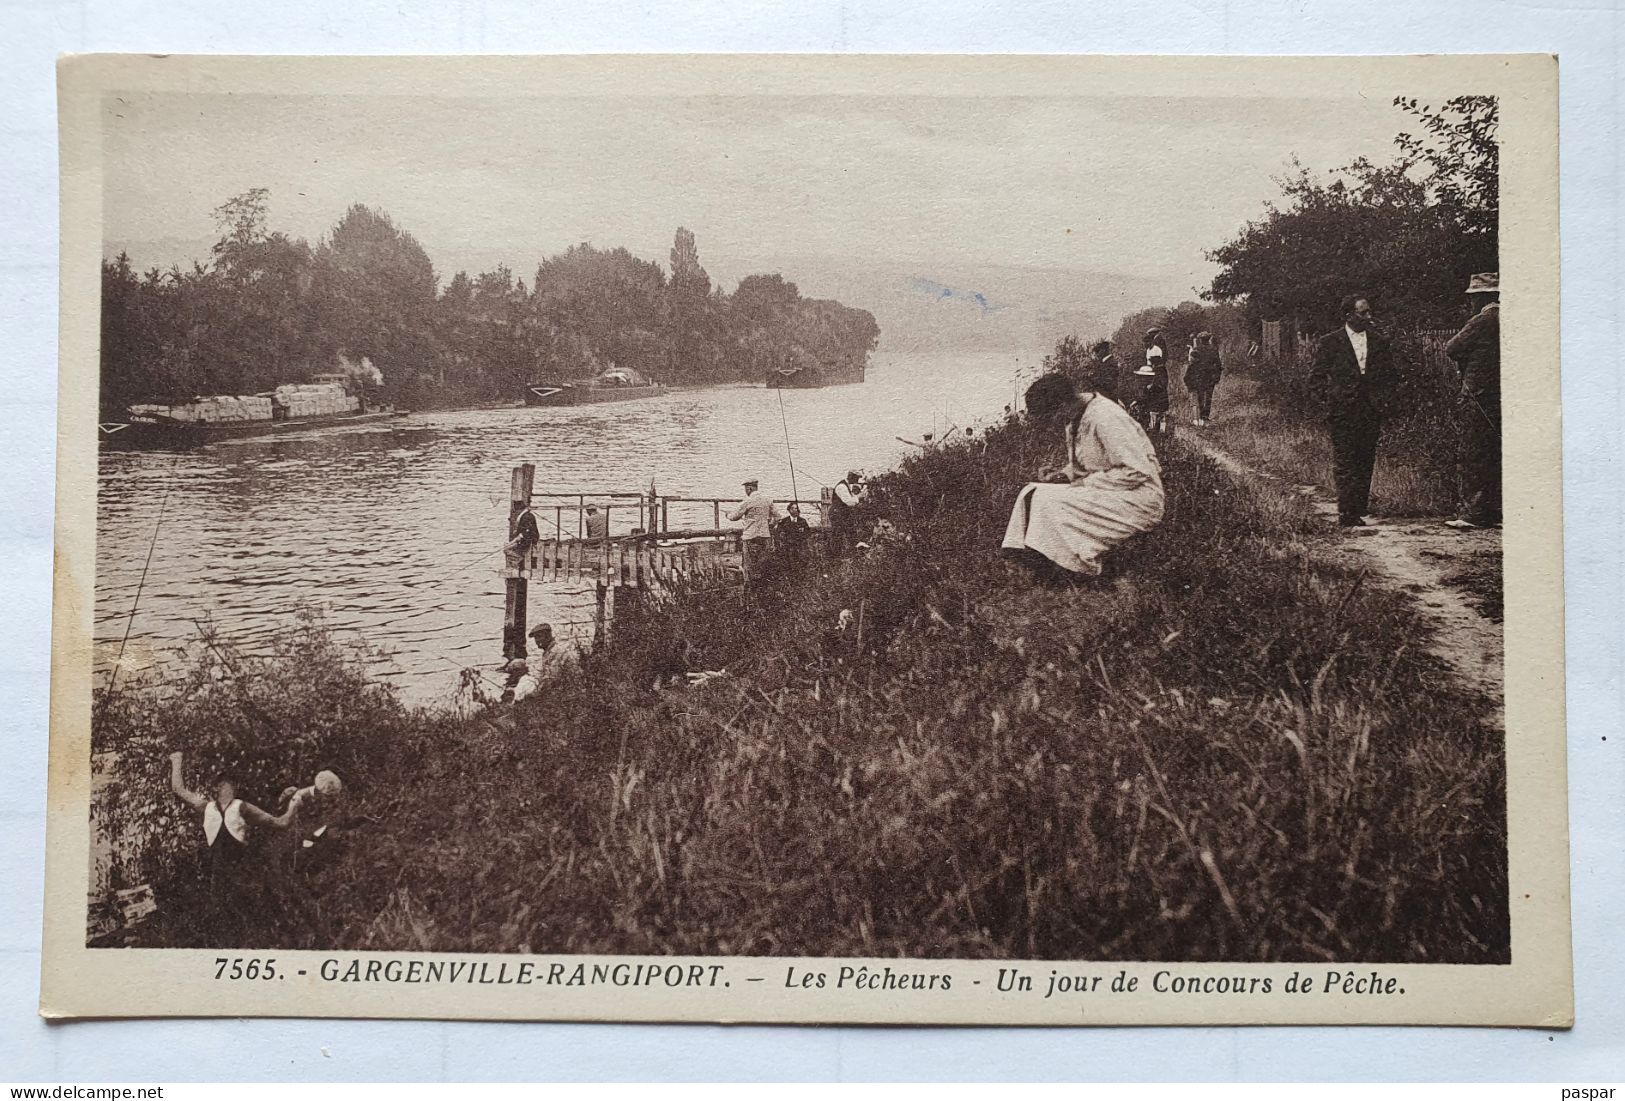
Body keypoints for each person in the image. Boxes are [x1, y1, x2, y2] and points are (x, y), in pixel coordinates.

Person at [1001, 373, 1165, 584]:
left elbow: (1138, 470)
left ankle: (1070, 568)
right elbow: (1094, 461)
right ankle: (1024, 556)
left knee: (1047, 501)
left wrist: (1085, 483)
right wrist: (1063, 474)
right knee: (1030, 491)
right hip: (1114, 491)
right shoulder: (1077, 417)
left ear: (1062, 406)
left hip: (1139, 499)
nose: (1052, 425)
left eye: (1051, 418)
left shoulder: (1106, 418)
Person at [168, 752, 296, 918]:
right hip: (233, 877)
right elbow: (282, 822)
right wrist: (296, 803)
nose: (225, 788)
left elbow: (280, 822)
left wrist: (176, 760)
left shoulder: (223, 807)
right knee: (238, 916)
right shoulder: (221, 807)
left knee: (236, 915)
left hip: (231, 876)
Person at [1308, 294, 1399, 527]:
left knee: (1365, 458)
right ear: (1348, 315)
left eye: (1369, 311)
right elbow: (1316, 378)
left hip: (1370, 409)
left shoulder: (1379, 341)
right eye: (1363, 313)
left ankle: (1358, 508)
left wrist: (1384, 401)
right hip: (1342, 411)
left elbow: (1390, 376)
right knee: (1345, 460)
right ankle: (1347, 513)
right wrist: (1328, 402)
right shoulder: (1330, 342)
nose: (1369, 316)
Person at [1444, 273, 1501, 529]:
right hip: (1502, 395)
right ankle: (1493, 511)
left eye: (1473, 297)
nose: (1470, 303)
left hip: (1478, 396)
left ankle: (1473, 513)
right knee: (1495, 452)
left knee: (1473, 452)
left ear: (1481, 298)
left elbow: (1452, 348)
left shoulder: (1482, 320)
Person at [275, 769, 346, 875]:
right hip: (295, 835)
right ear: (319, 791)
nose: (330, 799)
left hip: (310, 832)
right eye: (328, 796)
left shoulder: (317, 797)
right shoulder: (298, 800)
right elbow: (287, 823)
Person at [726, 477, 778, 579]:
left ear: (749, 488)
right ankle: (763, 587)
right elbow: (778, 517)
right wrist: (770, 525)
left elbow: (734, 517)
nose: (745, 491)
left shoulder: (747, 501)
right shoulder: (768, 500)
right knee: (763, 565)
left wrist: (727, 515)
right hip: (765, 537)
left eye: (746, 489)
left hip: (750, 538)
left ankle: (750, 588)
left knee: (749, 566)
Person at [1184, 331, 1224, 426]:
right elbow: (1218, 365)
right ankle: (1205, 416)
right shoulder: (1214, 350)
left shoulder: (1197, 349)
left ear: (1200, 340)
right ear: (1208, 339)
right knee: (1209, 396)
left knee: (1201, 396)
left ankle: (1201, 417)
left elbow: (1193, 363)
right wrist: (1217, 377)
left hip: (1200, 377)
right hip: (1210, 377)